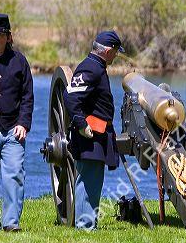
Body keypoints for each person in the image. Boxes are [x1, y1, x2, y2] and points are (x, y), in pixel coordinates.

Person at [63, 31, 124, 230]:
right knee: (88, 181)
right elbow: (71, 97)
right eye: (115, 51)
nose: (116, 55)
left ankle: (89, 222)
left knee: (93, 181)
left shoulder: (96, 66)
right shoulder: (91, 68)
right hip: (90, 134)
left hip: (97, 134)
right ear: (107, 51)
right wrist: (81, 125)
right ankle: (85, 225)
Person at [0, 14, 34, 232]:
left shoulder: (20, 62)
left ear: (8, 37)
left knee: (14, 177)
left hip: (13, 130)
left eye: (1, 35)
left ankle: (11, 223)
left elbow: (28, 95)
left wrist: (24, 123)